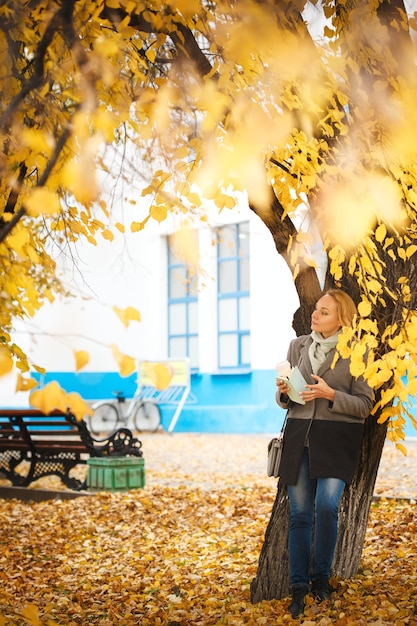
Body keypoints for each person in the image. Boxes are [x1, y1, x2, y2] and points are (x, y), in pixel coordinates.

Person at [275, 289, 373, 618]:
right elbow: (287, 402)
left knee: (326, 508)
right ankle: (298, 586)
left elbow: (365, 405)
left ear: (342, 319)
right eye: (317, 310)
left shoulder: (358, 350)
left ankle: (321, 580)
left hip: (337, 439)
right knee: (300, 515)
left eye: (325, 312)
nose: (315, 315)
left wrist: (331, 394)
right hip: (298, 437)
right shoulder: (297, 346)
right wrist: (284, 392)